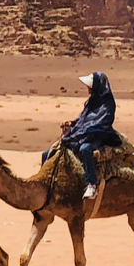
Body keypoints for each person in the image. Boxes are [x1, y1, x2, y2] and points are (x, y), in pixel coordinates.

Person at [52, 72, 120, 200]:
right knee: (52, 151)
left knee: (85, 149)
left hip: (99, 135)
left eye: (90, 86)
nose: (88, 88)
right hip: (83, 134)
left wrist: (81, 132)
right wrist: (72, 124)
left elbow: (101, 123)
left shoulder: (108, 104)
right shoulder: (91, 102)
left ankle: (91, 184)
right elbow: (83, 119)